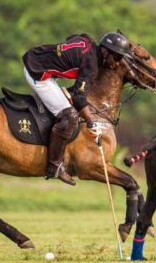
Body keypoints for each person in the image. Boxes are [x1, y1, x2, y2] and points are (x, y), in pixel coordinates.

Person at [22, 32, 132, 185]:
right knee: (69, 116)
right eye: (117, 57)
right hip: (38, 73)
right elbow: (79, 98)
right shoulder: (91, 65)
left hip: (37, 57)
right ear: (105, 51)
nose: (118, 63)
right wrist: (91, 123)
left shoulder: (87, 42)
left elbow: (73, 37)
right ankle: (55, 166)